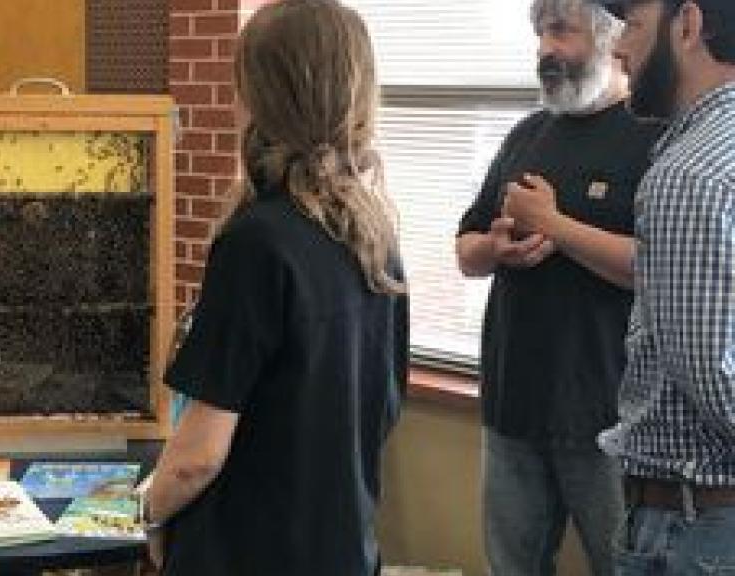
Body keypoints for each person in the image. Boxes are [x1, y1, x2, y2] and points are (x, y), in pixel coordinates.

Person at [138, 2, 408, 575]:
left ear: (263, 97)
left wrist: (152, 514)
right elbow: (384, 408)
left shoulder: (256, 241)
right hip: (343, 548)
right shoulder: (375, 235)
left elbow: (197, 458)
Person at [455, 0, 662, 574]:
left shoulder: (653, 137)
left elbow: (657, 269)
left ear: (609, 38)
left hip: (609, 418)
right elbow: (465, 250)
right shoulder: (526, 135)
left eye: (562, 31)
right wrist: (495, 249)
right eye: (542, 34)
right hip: (511, 406)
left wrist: (555, 226)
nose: (547, 48)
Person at [589, 0, 735, 573]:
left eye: (633, 25)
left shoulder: (689, 175)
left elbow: (717, 381)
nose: (618, 47)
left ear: (688, 24)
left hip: (698, 530)